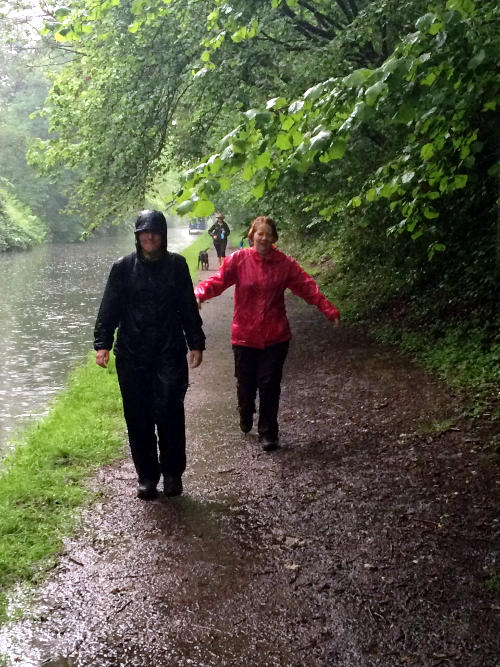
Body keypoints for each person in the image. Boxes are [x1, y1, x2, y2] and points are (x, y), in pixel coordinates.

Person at [195, 215, 340, 452]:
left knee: (270, 384)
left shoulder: (284, 264)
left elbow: (306, 286)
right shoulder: (238, 260)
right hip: (244, 336)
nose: (263, 238)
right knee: (246, 385)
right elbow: (217, 281)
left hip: (275, 336)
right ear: (251, 235)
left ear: (274, 238)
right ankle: (245, 411)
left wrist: (328, 309)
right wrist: (199, 293)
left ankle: (268, 432)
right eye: (259, 233)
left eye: (268, 234)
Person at [94, 210, 205, 500]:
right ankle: (147, 476)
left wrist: (196, 341)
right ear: (137, 236)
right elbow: (109, 309)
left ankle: (172, 474)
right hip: (132, 355)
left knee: (170, 411)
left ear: (163, 235)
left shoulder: (177, 266)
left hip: (169, 352)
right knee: (138, 417)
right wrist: (102, 344)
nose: (149, 237)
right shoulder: (122, 268)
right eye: (144, 232)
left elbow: (187, 308)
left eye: (154, 232)